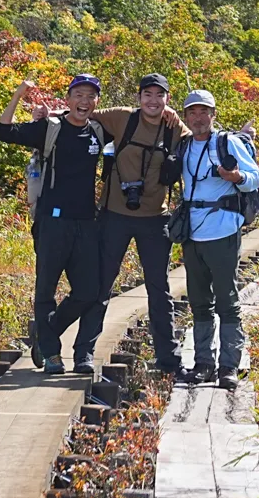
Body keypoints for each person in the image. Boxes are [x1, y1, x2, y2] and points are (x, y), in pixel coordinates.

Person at [72, 73, 186, 377]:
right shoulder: (122, 118)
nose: (153, 101)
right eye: (147, 95)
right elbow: (80, 112)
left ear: (167, 99)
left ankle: (168, 357)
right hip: (114, 216)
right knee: (101, 286)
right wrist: (43, 114)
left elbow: (203, 139)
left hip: (155, 219)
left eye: (159, 96)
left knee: (159, 289)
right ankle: (83, 353)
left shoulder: (175, 127)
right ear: (138, 98)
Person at [0, 75, 111, 375]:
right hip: (52, 221)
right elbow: (3, 130)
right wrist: (21, 93)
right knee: (45, 289)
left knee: (88, 291)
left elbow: (137, 122)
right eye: (78, 95)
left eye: (90, 96)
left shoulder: (98, 132)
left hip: (86, 222)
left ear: (97, 102)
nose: (84, 101)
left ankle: (45, 338)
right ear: (69, 98)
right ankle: (52, 355)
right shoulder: (50, 129)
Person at [173, 89, 259, 390]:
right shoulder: (185, 145)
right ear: (186, 116)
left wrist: (236, 178)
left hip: (223, 230)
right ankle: (203, 364)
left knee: (226, 300)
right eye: (193, 112)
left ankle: (229, 365)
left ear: (214, 114)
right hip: (192, 233)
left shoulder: (228, 142)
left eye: (204, 112)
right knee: (199, 301)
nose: (198, 118)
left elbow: (256, 177)